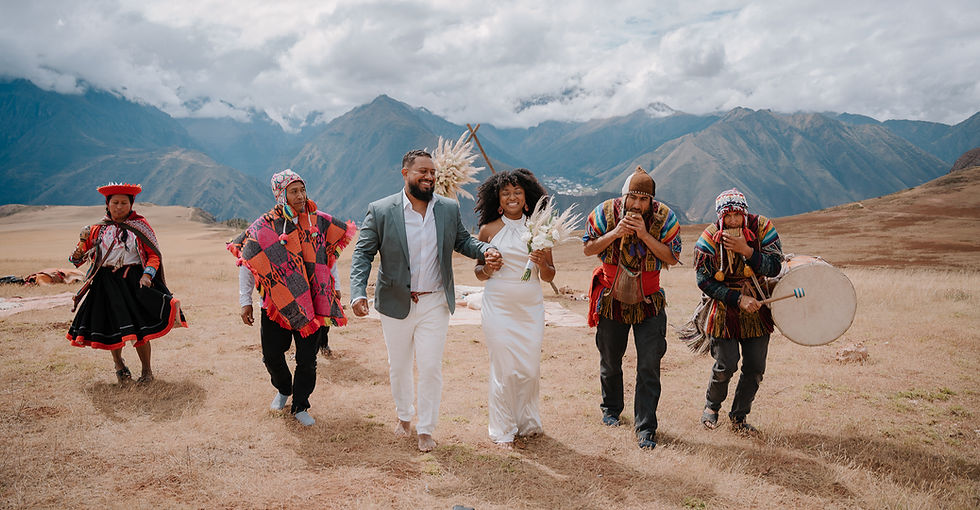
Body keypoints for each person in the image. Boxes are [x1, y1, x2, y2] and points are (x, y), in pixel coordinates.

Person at [350, 149, 503, 452]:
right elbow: (363, 254)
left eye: (432, 172)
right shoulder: (381, 210)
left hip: (434, 302)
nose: (429, 177)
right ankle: (404, 416)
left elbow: (462, 240)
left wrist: (484, 250)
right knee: (399, 366)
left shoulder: (447, 208)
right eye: (422, 171)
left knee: (431, 367)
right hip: (395, 302)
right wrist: (357, 292)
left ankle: (426, 428)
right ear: (405, 173)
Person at [228, 169, 355, 427]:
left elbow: (327, 257)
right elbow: (248, 262)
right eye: (293, 191)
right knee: (272, 356)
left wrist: (336, 286)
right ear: (281, 195)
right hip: (276, 303)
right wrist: (245, 301)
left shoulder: (317, 221)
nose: (300, 195)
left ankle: (300, 405)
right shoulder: (263, 226)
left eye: (302, 189)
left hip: (312, 302)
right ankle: (284, 389)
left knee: (307, 359)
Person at [582, 166, 681, 450]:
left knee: (649, 363)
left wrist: (645, 235)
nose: (637, 205)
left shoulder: (665, 219)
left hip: (649, 300)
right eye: (632, 198)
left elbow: (672, 257)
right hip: (612, 298)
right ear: (623, 197)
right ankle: (611, 409)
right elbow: (588, 248)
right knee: (610, 358)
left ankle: (646, 427)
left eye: (643, 199)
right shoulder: (603, 214)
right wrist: (616, 233)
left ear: (651, 201)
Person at [67, 182, 187, 383]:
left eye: (124, 203)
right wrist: (78, 253)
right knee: (112, 327)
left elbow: (153, 256)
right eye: (115, 202)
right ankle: (119, 365)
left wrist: (147, 275)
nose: (119, 207)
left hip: (133, 281)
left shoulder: (140, 226)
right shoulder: (97, 229)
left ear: (131, 204)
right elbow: (77, 260)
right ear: (108, 204)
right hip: (104, 283)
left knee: (140, 329)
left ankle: (147, 371)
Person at [472, 169, 554, 449]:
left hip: (530, 307)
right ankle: (503, 428)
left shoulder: (539, 228)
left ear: (526, 197)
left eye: (517, 192)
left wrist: (542, 262)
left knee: (529, 369)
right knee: (505, 369)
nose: (512, 197)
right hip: (498, 306)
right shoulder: (488, 230)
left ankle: (526, 421)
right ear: (498, 198)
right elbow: (478, 274)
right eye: (506, 192)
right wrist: (488, 267)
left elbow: (550, 275)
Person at [694, 189, 783, 433]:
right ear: (720, 217)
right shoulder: (710, 236)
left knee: (755, 367)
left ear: (745, 213)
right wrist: (736, 298)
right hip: (725, 309)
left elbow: (776, 266)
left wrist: (747, 251)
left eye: (737, 215)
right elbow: (703, 280)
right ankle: (711, 407)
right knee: (726, 364)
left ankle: (739, 417)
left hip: (758, 306)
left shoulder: (763, 227)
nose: (733, 220)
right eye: (728, 215)